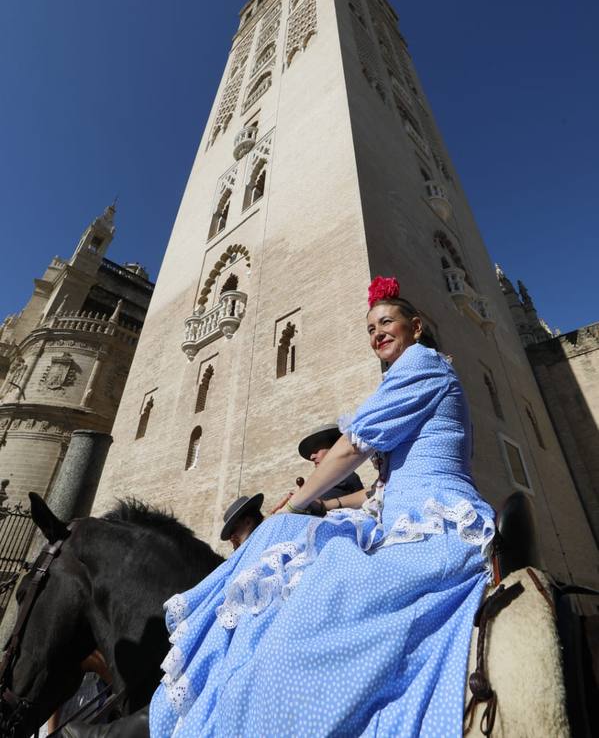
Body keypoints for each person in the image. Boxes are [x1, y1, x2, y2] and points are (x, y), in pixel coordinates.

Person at [65, 275, 495, 738]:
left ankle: (216, 707)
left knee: (302, 571)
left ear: (416, 326)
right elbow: (379, 490)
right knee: (287, 551)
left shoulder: (421, 365)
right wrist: (325, 502)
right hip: (398, 516)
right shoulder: (415, 372)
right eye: (370, 327)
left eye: (386, 322)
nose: (376, 333)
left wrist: (296, 503)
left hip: (433, 523)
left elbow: (352, 447)